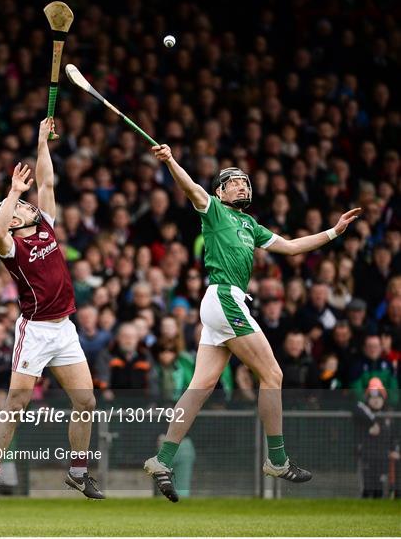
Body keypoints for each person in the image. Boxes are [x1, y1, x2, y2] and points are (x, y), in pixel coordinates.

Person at [144, 143, 361, 502]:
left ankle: (162, 458)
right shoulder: (212, 209)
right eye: (234, 182)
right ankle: (277, 459)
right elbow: (191, 189)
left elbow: (291, 247)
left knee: (201, 386)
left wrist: (334, 231)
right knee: (272, 374)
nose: (243, 185)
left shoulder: (251, 224)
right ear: (220, 191)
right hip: (225, 297)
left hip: (221, 304)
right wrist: (171, 162)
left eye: (245, 181)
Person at [0, 118, 104, 511]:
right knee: (16, 405)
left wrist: (40, 143)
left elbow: (47, 182)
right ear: (14, 219)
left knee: (86, 403)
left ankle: (78, 472)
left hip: (64, 329)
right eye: (19, 207)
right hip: (34, 332)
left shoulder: (46, 227)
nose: (29, 205)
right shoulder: (11, 247)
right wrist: (12, 193)